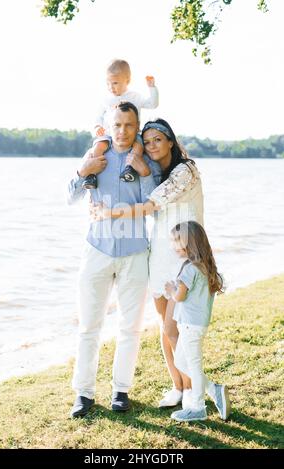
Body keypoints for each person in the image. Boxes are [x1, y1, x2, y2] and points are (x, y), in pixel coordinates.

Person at [90, 118, 204, 409]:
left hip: (185, 256)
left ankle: (193, 392)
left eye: (158, 139)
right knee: (165, 329)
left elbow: (151, 205)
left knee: (175, 327)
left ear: (170, 142)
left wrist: (110, 214)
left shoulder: (184, 171)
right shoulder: (159, 172)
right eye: (148, 140)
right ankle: (178, 386)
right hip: (160, 253)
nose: (152, 145)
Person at [67, 101, 161, 418]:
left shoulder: (145, 160)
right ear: (108, 127)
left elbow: (157, 201)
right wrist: (83, 172)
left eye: (129, 125)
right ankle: (84, 394)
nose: (122, 131)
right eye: (117, 125)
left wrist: (144, 169)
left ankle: (121, 391)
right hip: (97, 250)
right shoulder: (95, 156)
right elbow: (70, 195)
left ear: (137, 128)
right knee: (89, 326)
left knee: (129, 327)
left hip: (135, 252)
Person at [165, 221, 231, 422]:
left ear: (189, 243)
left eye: (177, 241)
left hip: (189, 325)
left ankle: (198, 408)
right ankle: (214, 390)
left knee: (192, 364)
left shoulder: (189, 269)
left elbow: (180, 297)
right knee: (182, 362)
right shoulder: (206, 267)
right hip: (198, 325)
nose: (173, 245)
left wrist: (171, 290)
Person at [83, 59, 159, 189]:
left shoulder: (135, 97)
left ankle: (129, 169)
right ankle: (92, 175)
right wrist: (97, 127)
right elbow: (98, 117)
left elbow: (153, 104)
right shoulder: (106, 100)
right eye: (108, 83)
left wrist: (152, 87)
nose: (111, 87)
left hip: (132, 135)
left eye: (115, 83)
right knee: (98, 146)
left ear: (127, 81)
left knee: (138, 146)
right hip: (108, 134)